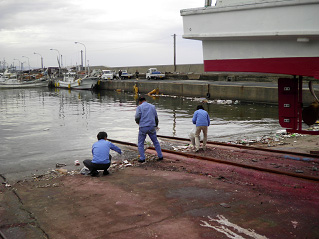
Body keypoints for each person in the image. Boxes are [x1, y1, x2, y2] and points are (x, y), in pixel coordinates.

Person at [135, 96, 163, 163]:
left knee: (140, 143)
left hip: (143, 127)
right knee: (155, 142)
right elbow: (156, 118)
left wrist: (138, 122)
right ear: (145, 100)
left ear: (139, 102)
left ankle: (142, 158)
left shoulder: (139, 107)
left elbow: (137, 117)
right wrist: (156, 125)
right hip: (151, 126)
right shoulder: (152, 107)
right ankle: (160, 156)